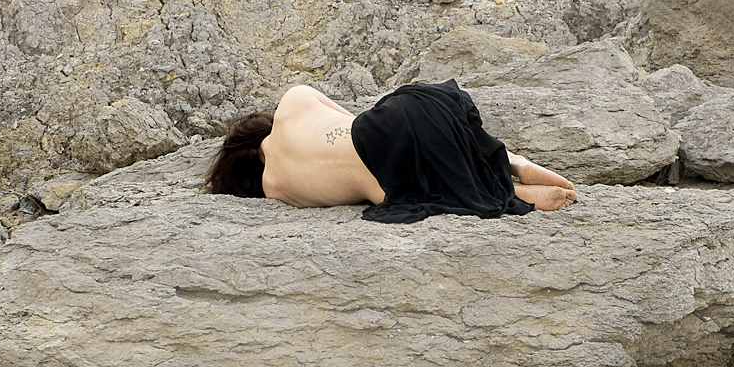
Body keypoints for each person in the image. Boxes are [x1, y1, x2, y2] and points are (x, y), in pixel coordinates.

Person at [203, 79, 577, 222]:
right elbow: (357, 120)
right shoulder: (293, 101)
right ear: (262, 124)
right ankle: (511, 162)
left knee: (429, 180)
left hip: (391, 181)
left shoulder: (274, 187)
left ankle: (513, 192)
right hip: (396, 120)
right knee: (423, 120)